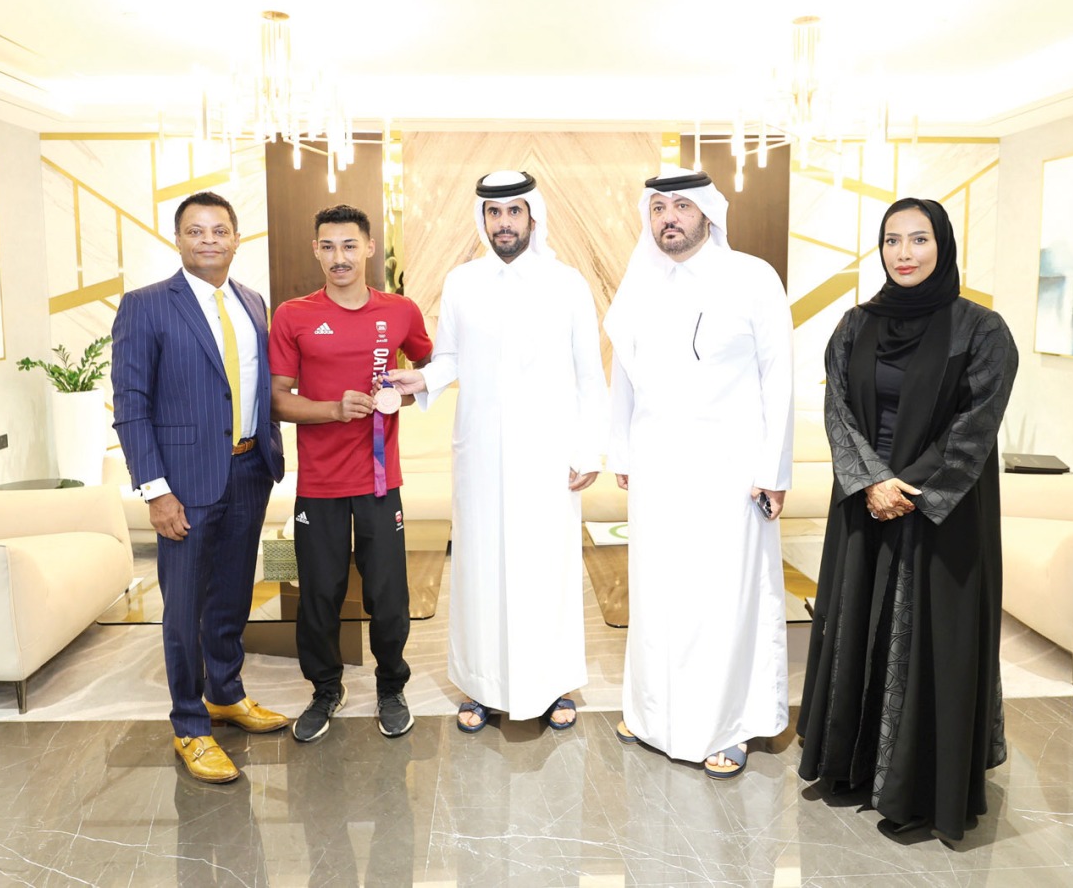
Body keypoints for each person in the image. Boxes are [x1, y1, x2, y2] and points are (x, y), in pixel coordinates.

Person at [796, 198, 1018, 843]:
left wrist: (909, 486)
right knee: (860, 621)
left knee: (930, 640)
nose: (905, 252)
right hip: (866, 504)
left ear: (943, 247)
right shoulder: (854, 324)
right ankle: (853, 765)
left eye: (919, 240)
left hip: (943, 511)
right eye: (893, 240)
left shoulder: (981, 328)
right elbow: (836, 406)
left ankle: (919, 785)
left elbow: (977, 423)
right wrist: (870, 480)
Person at [386, 170, 607, 733]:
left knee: (546, 568)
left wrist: (590, 448)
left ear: (533, 216)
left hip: (548, 457)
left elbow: (590, 375)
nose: (503, 223)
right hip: (481, 454)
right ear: (482, 220)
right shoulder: (463, 283)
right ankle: (481, 686)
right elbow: (453, 357)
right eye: (493, 213)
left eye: (513, 212)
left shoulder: (569, 284)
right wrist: (423, 380)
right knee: (481, 569)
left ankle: (554, 684)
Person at [603, 167, 794, 779]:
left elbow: (779, 377)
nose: (669, 219)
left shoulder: (751, 277)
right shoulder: (640, 285)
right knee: (659, 591)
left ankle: (731, 724)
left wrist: (774, 469)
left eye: (681, 206)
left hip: (730, 469)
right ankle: (653, 714)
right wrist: (624, 456)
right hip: (658, 466)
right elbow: (623, 379)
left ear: (708, 213)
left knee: (724, 596)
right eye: (658, 208)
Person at [112, 191, 288, 784]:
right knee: (183, 609)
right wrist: (156, 490)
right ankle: (190, 724)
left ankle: (225, 694)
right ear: (178, 239)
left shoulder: (253, 301)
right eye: (196, 231)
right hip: (183, 485)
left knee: (233, 597)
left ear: (237, 238)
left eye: (220, 230)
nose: (208, 240)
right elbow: (131, 407)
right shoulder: (146, 306)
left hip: (247, 472)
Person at [269, 204, 432, 742]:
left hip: (383, 479)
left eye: (349, 245)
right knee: (319, 593)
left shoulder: (401, 311)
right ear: (316, 249)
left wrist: (404, 391)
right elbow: (277, 402)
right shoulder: (292, 315)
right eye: (328, 246)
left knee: (390, 594)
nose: (339, 257)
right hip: (319, 483)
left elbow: (434, 370)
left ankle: (391, 686)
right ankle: (324, 690)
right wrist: (333, 410)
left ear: (368, 247)